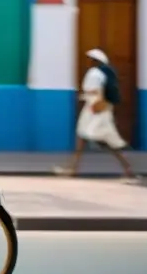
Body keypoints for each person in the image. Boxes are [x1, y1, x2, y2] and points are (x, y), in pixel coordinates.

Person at [55, 48, 138, 183]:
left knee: (104, 140)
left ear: (95, 61)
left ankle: (128, 169)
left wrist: (92, 105)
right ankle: (73, 168)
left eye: (90, 59)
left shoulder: (94, 73)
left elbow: (96, 92)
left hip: (95, 109)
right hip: (99, 108)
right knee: (85, 137)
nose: (88, 61)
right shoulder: (102, 74)